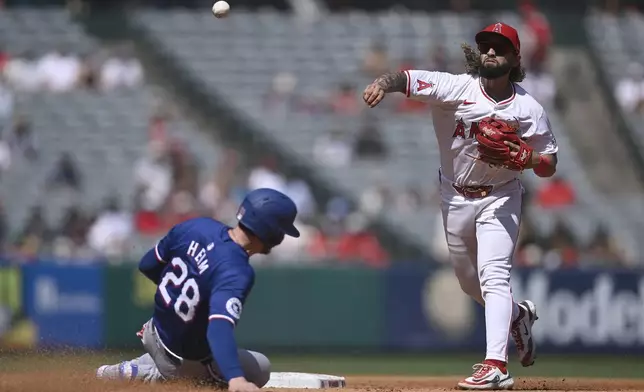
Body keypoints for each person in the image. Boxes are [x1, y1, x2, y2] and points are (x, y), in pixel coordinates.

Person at [362, 22, 558, 390]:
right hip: (454, 195)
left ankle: (495, 365)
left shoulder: (528, 108)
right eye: (485, 46)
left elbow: (549, 163)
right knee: (470, 284)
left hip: (501, 196)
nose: (489, 52)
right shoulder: (455, 88)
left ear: (515, 58)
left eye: (499, 48)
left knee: (493, 274)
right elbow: (405, 77)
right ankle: (518, 316)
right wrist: (382, 84)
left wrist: (527, 157)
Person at [96, 188, 300, 392]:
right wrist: (236, 379)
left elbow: (147, 265)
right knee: (260, 369)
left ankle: (138, 366)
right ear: (272, 233)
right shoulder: (237, 270)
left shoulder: (198, 225)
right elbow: (218, 328)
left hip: (153, 331)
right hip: (180, 360)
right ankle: (148, 374)